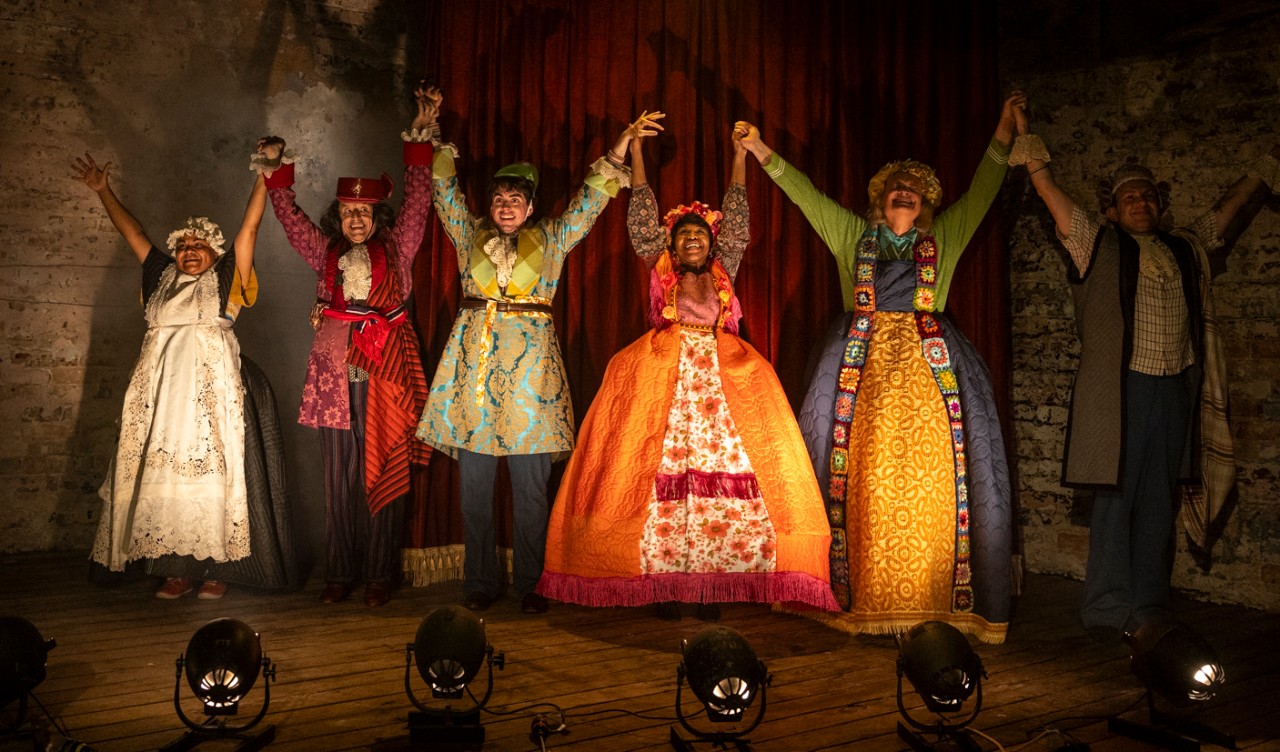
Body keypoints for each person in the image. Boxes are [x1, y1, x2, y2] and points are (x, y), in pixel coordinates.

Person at [736, 94, 1025, 644]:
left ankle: (930, 597)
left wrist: (1005, 130)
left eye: (914, 189)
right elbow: (807, 198)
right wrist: (759, 149)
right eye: (896, 185)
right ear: (881, 197)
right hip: (858, 372)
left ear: (926, 205)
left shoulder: (945, 238)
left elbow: (985, 189)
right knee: (860, 479)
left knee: (935, 482)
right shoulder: (852, 236)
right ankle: (858, 593)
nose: (904, 192)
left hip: (929, 369)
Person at [538, 118, 838, 620]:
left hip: (723, 383)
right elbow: (641, 214)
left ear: (710, 242)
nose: (693, 240)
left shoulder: (726, 269)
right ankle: (666, 582)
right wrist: (633, 149)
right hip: (664, 379)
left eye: (700, 234)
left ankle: (711, 583)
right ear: (672, 245)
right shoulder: (659, 266)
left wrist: (741, 158)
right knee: (660, 482)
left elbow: (738, 222)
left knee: (724, 481)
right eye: (684, 236)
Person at [1015, 110, 1279, 639]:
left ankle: (1151, 606)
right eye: (1130, 198)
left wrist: (1264, 169)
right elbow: (1052, 194)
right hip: (1123, 393)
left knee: (1159, 499)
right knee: (1116, 501)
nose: (1143, 203)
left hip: (1172, 388)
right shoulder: (1098, 243)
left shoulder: (1184, 247)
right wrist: (1025, 137)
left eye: (1149, 196)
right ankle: (1109, 609)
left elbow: (1225, 214)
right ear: (1112, 211)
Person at [417, 109, 637, 616]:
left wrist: (621, 145)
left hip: (531, 382)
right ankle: (478, 580)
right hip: (472, 375)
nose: (505, 205)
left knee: (530, 492)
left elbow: (589, 202)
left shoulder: (553, 239)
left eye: (515, 199)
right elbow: (444, 194)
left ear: (531, 206)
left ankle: (533, 583)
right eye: (498, 198)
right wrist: (431, 135)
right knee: (473, 493)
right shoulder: (468, 233)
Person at [78, 150, 298, 599]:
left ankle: (218, 570)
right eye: (182, 246)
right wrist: (104, 192)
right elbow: (134, 232)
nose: (188, 252)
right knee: (165, 480)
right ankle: (176, 569)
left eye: (198, 246)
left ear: (215, 252)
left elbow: (250, 228)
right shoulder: (160, 276)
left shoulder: (226, 278)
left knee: (213, 478)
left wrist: (264, 177)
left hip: (210, 394)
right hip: (161, 395)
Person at [260, 82, 440, 608]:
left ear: (378, 216)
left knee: (383, 463)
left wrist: (423, 132)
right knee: (337, 475)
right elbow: (289, 219)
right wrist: (276, 169)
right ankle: (340, 571)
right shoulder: (325, 252)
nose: (355, 219)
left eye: (364, 212)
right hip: (333, 369)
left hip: (385, 366)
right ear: (336, 217)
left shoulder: (398, 247)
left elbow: (419, 197)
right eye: (346, 212)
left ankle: (380, 572)